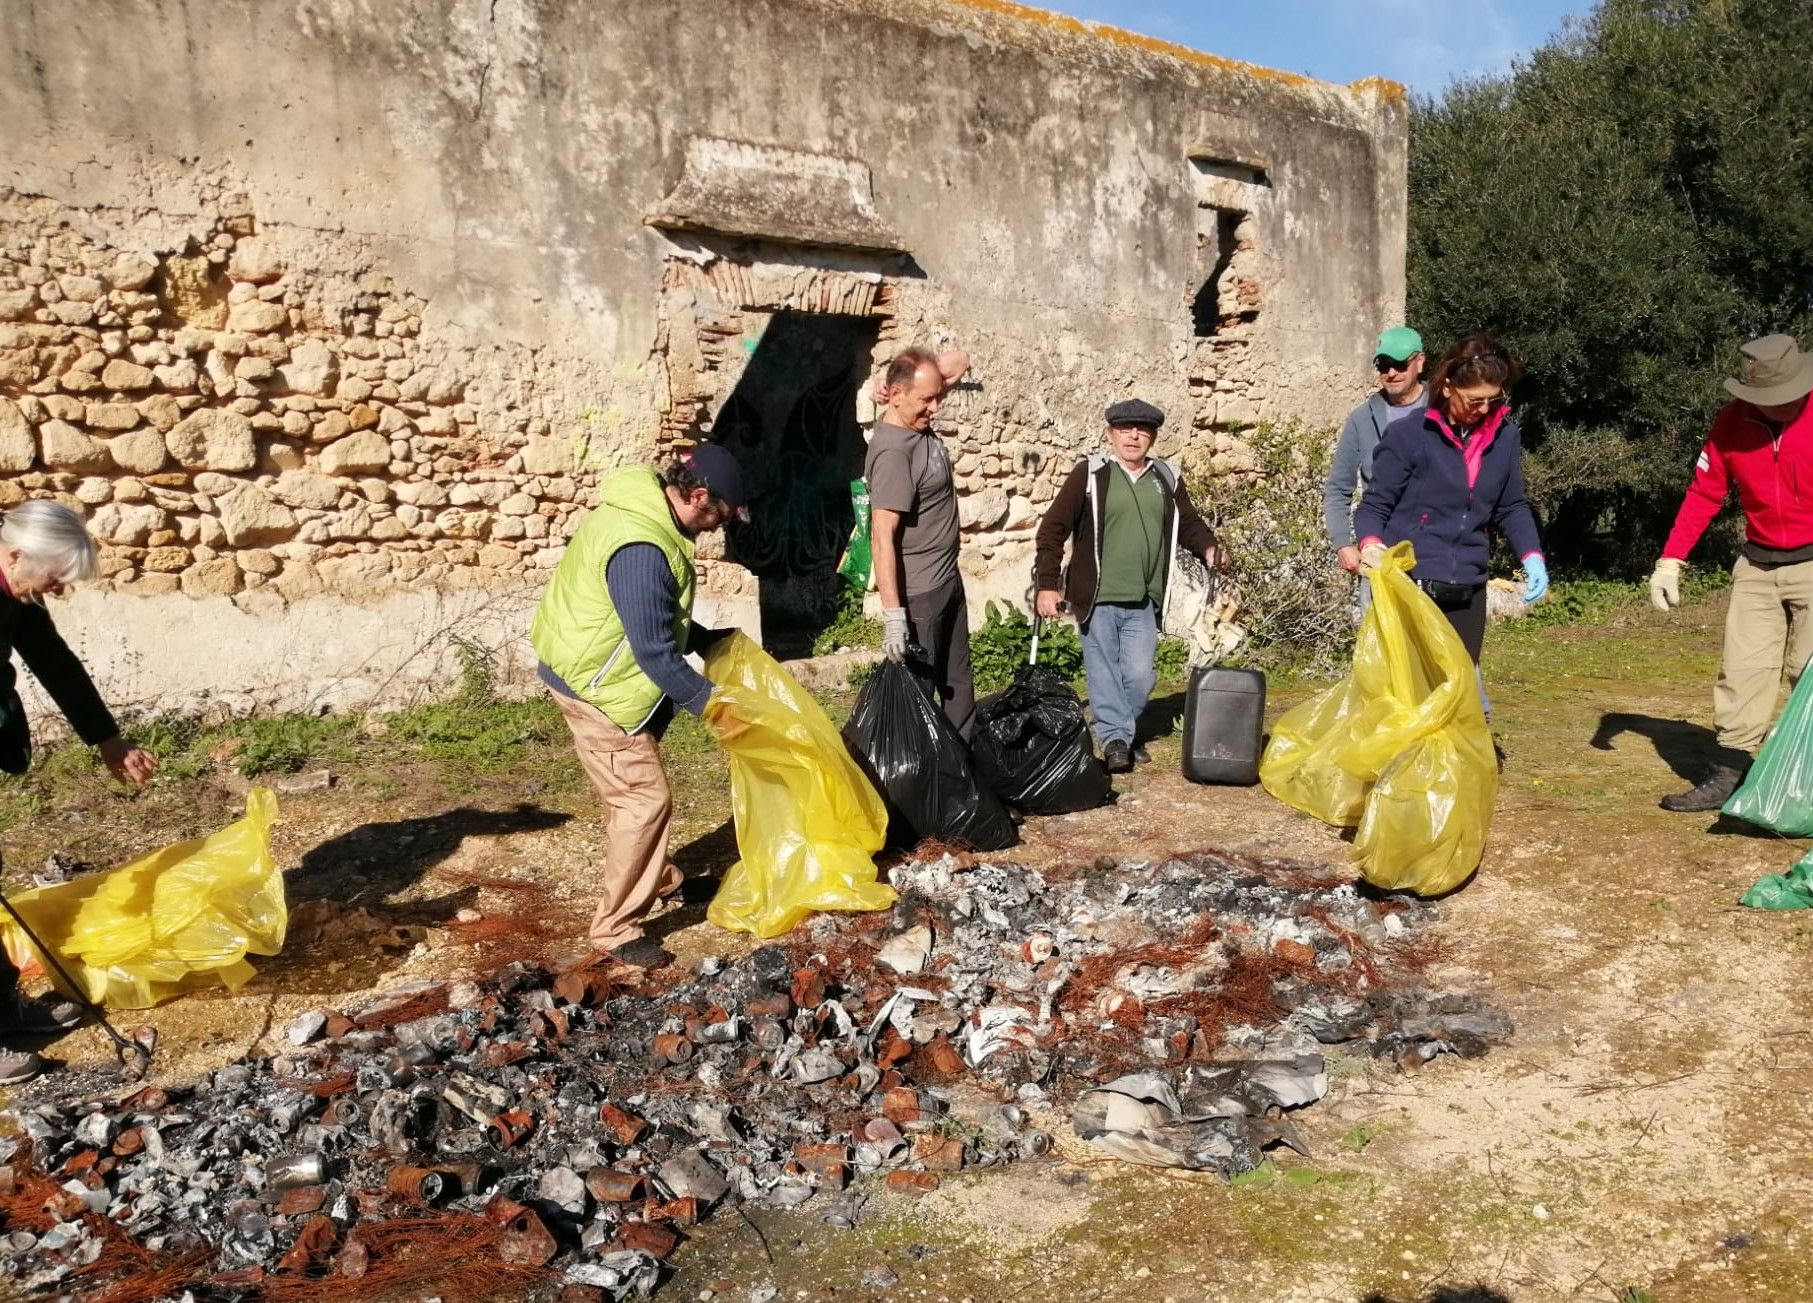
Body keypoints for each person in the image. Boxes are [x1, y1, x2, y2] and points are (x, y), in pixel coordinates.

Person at [528, 445, 749, 970]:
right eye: (720, 513)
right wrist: (718, 709)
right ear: (698, 497)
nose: (720, 526)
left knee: (630, 793)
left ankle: (663, 880)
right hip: (597, 690)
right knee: (643, 800)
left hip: (589, 664)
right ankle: (614, 929)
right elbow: (653, 654)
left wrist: (704, 637)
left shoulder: (648, 510)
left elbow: (650, 614)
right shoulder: (642, 547)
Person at [0, 499, 159, 1085]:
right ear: (16, 556)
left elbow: (55, 662)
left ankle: (4, 1009)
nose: (59, 591)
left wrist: (107, 740)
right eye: (54, 578)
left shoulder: (13, 585)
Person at [1649, 334, 1813, 812]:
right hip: (1758, 564)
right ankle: (1727, 776)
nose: (1779, 406)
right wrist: (1670, 560)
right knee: (1741, 672)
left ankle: (1804, 784)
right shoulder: (1731, 422)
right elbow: (1705, 493)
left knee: (1808, 675)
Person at [1034, 398, 1221, 773]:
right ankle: (1116, 741)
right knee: (1103, 670)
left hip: (1144, 597)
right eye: (1125, 429)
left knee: (1140, 675)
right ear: (1110, 434)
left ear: (1152, 437)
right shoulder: (1091, 474)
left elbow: (1188, 523)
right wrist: (1047, 584)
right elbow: (1053, 529)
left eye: (1142, 430)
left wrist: (1209, 546)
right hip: (1097, 595)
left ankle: (1120, 730)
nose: (1133, 436)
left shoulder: (1166, 478)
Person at [1353, 333, 1548, 683]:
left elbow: (1511, 506)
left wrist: (1532, 556)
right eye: (1475, 401)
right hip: (1412, 585)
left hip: (1468, 586)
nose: (1484, 410)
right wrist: (1370, 544)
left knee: (1458, 689)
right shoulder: (1408, 436)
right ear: (1446, 388)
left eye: (1493, 399)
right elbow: (1374, 507)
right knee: (1412, 695)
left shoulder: (1505, 437)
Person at [868, 347, 974, 739]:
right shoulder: (895, 452)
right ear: (895, 397)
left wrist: (896, 375)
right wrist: (895, 616)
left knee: (959, 689)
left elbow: (959, 359)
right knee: (918, 702)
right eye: (926, 399)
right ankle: (915, 789)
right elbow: (882, 538)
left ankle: (961, 782)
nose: (935, 406)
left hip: (947, 582)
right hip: (920, 598)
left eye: (937, 396)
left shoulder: (916, 417)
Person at [1324, 327, 1430, 579]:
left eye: (1400, 364)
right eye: (1383, 365)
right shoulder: (1362, 420)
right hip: (1380, 556)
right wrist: (1342, 543)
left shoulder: (1445, 410)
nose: (1391, 373)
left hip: (1436, 556)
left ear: (1420, 362)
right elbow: (1338, 489)